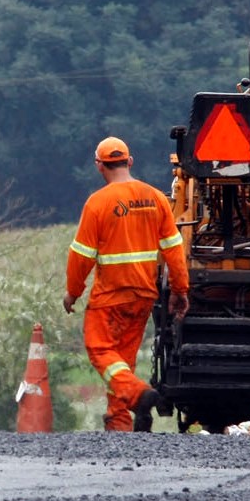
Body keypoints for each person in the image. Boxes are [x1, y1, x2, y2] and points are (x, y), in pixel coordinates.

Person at [63, 137, 190, 432]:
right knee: (122, 362)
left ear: (99, 166)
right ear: (129, 162)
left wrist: (73, 292)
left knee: (100, 350)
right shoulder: (156, 198)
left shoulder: (98, 203)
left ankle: (139, 396)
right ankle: (121, 423)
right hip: (144, 296)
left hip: (110, 297)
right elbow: (174, 249)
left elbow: (81, 256)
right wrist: (181, 290)